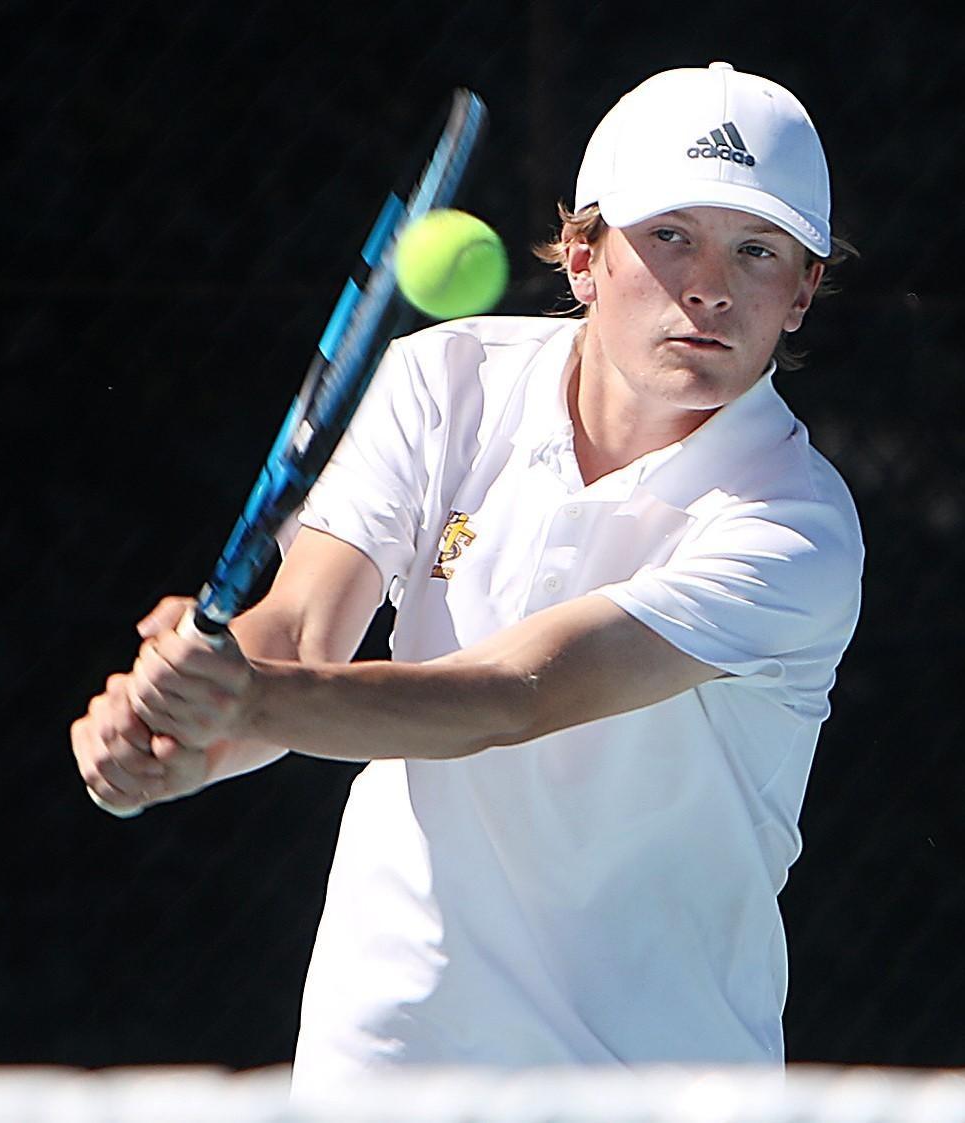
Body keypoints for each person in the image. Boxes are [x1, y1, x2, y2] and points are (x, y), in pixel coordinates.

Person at [70, 62, 863, 1086]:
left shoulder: (793, 523)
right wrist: (192, 744)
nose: (708, 284)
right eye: (668, 235)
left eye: (756, 250)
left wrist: (249, 698)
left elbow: (510, 694)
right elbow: (300, 628)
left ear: (801, 292)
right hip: (387, 1056)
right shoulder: (440, 381)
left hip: (651, 1085)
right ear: (582, 256)